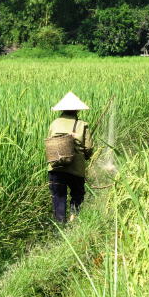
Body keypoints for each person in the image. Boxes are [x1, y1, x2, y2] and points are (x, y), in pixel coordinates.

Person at [47, 92, 94, 224]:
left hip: (55, 166)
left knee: (58, 197)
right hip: (75, 167)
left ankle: (60, 225)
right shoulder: (82, 125)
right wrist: (86, 156)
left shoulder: (54, 124)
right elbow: (88, 148)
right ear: (77, 109)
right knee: (77, 194)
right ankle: (73, 221)